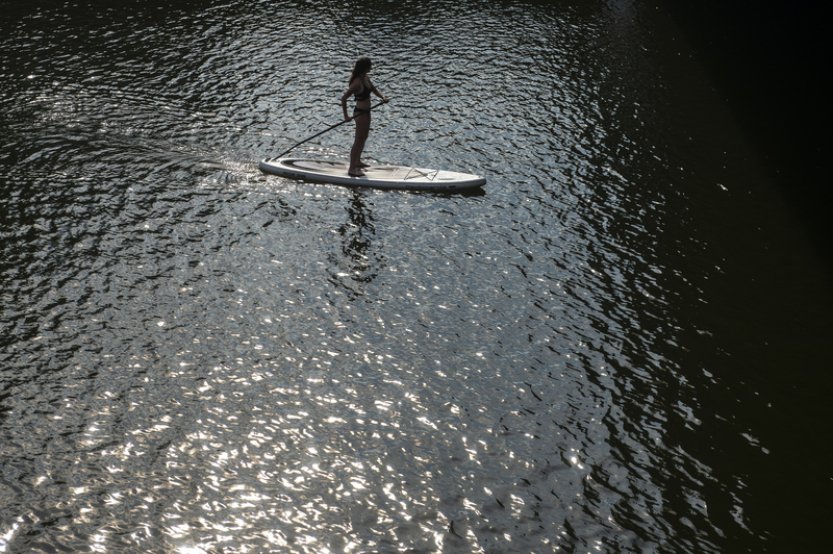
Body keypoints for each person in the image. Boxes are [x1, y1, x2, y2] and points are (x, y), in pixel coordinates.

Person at [341, 57, 388, 177]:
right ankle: (352, 169)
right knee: (358, 140)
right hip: (360, 113)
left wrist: (382, 97)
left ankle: (357, 161)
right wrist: (346, 116)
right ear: (365, 67)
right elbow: (344, 98)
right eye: (370, 65)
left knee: (364, 137)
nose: (372, 67)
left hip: (367, 112)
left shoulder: (366, 78)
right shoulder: (357, 82)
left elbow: (374, 90)